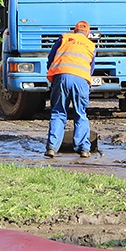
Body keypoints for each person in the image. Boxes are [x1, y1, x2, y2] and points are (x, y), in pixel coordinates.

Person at [44, 20, 96, 158]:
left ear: (75, 30)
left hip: (62, 76)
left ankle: (52, 148)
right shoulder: (91, 45)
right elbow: (91, 68)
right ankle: (84, 149)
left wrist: (53, 73)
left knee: (58, 112)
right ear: (88, 33)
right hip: (81, 80)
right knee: (80, 113)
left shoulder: (64, 38)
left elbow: (51, 58)